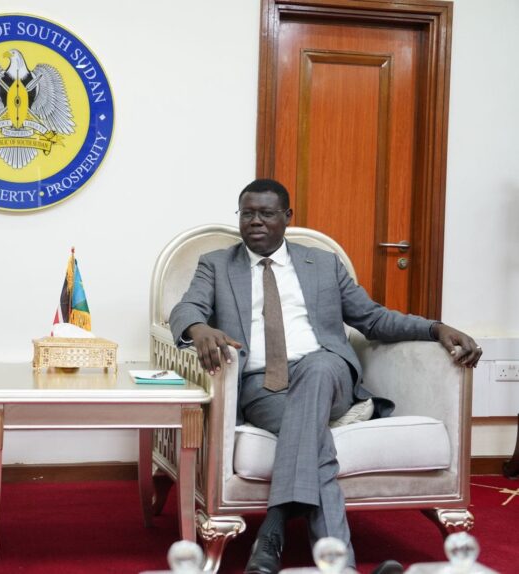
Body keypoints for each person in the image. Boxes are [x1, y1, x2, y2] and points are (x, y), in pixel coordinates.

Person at [169, 179, 481, 574]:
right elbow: (184, 310)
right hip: (261, 385)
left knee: (316, 367)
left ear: (287, 217)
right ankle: (338, 565)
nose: (255, 222)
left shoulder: (322, 263)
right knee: (314, 445)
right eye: (247, 214)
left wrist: (435, 328)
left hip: (328, 372)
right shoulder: (216, 264)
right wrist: (199, 329)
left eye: (266, 214)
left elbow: (373, 318)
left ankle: (272, 536)